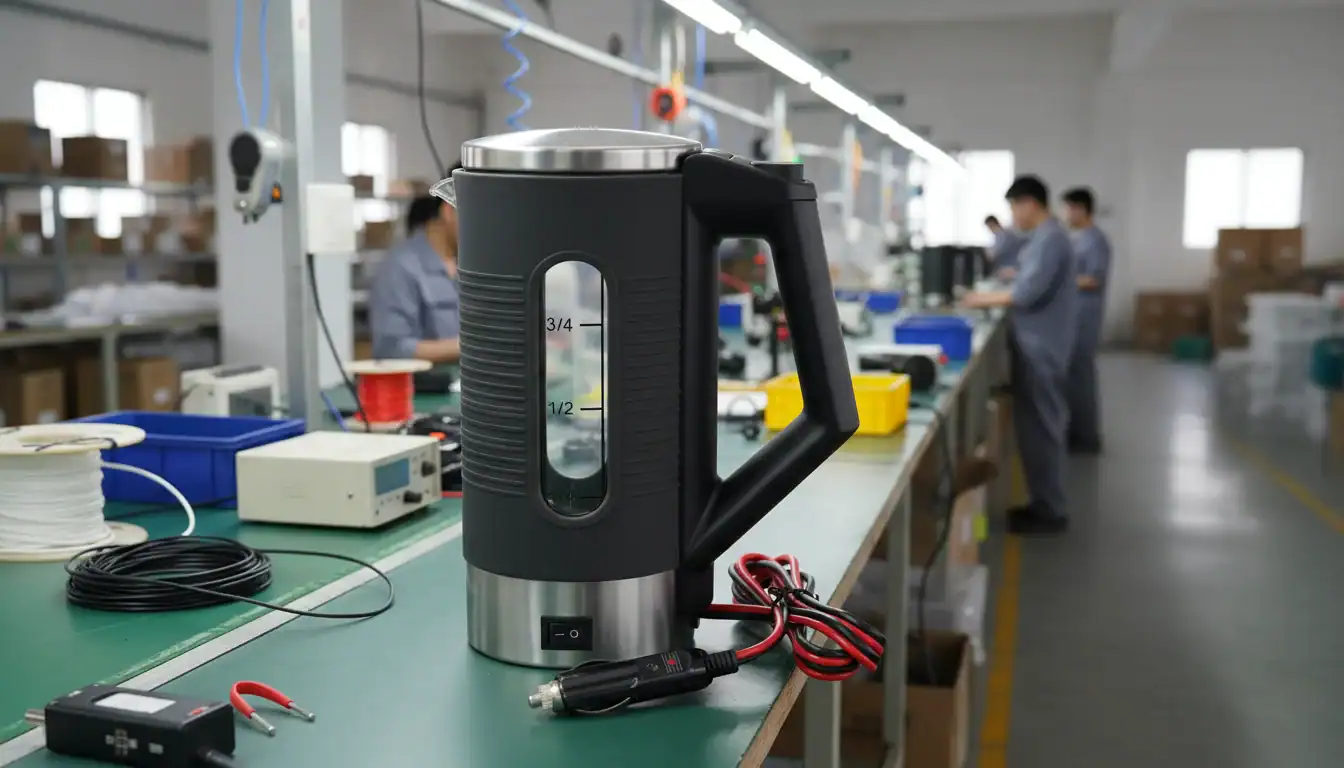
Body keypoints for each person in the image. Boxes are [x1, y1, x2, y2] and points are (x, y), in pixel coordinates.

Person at [961, 175, 1077, 535]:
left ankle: (1050, 509)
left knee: (1043, 428)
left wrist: (977, 300)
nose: (1013, 216)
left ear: (1029, 203)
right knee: (1036, 426)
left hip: (1043, 348)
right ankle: (1043, 502)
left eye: (1014, 208)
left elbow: (1025, 294)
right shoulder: (1045, 238)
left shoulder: (1050, 239)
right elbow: (1030, 279)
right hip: (1037, 344)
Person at [369, 164, 462, 363]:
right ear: (448, 211)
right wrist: (474, 346)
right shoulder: (401, 267)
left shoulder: (470, 266)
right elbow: (392, 349)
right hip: (425, 382)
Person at [1061, 187, 1111, 455]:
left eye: (1069, 209)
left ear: (1081, 209)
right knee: (1073, 376)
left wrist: (1060, 280)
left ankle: (1087, 436)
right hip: (1074, 316)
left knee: (1081, 376)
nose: (1066, 214)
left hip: (1086, 317)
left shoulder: (1095, 240)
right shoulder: (1078, 238)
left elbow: (1093, 279)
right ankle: (1076, 431)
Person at [985, 214, 1026, 280]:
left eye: (989, 227)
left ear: (992, 224)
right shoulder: (1004, 234)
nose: (989, 229)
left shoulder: (1003, 235)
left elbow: (994, 254)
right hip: (1011, 268)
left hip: (1010, 269)